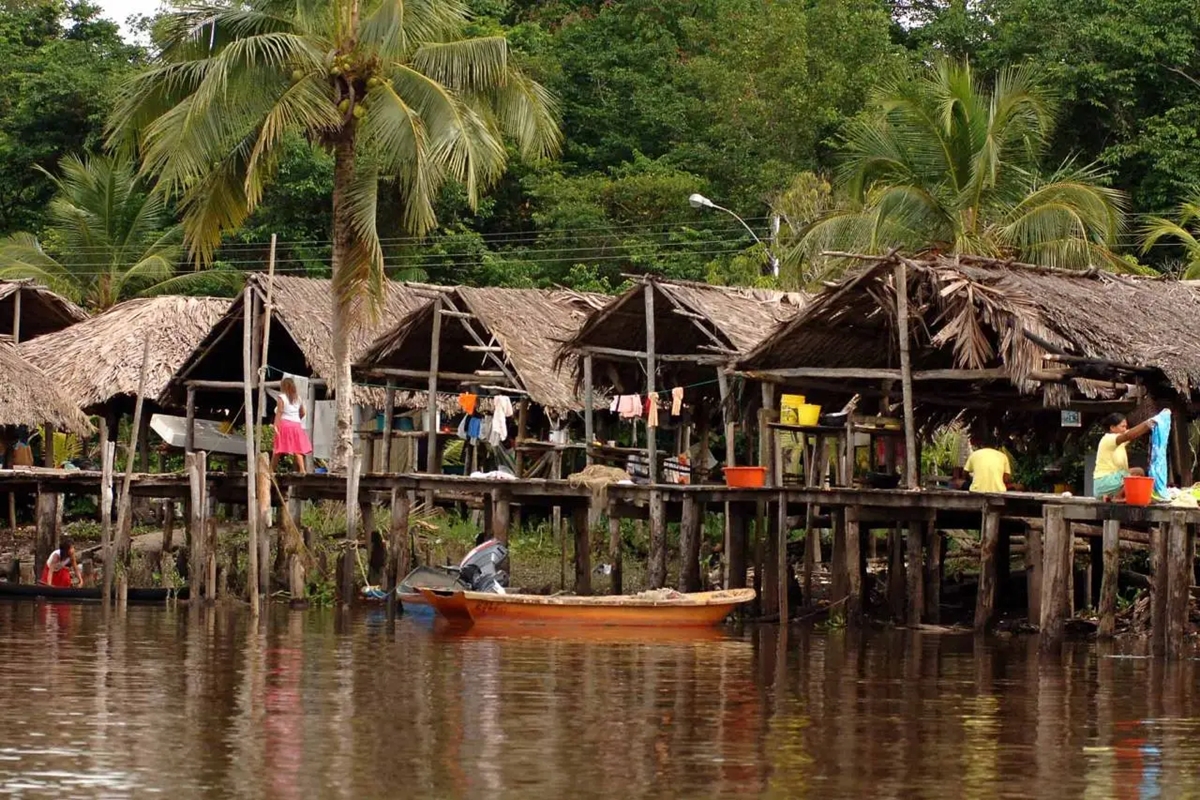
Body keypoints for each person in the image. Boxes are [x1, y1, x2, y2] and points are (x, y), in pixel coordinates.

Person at [1093, 412, 1156, 500]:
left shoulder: (1119, 441)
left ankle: (1113, 496)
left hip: (1109, 483)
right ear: (1112, 428)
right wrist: (1148, 423)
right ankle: (1118, 497)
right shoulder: (1109, 439)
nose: (1125, 429)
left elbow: (1132, 434)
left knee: (1137, 473)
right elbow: (1128, 435)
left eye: (1126, 427)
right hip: (1104, 483)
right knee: (1138, 472)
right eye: (1122, 426)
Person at [271, 377, 312, 474]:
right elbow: (303, 413)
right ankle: (302, 469)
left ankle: (271, 470)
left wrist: (276, 425)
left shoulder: (281, 397)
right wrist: (295, 420)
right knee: (297, 448)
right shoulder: (298, 398)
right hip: (296, 425)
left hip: (285, 424)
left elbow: (280, 412)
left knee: (278, 448)